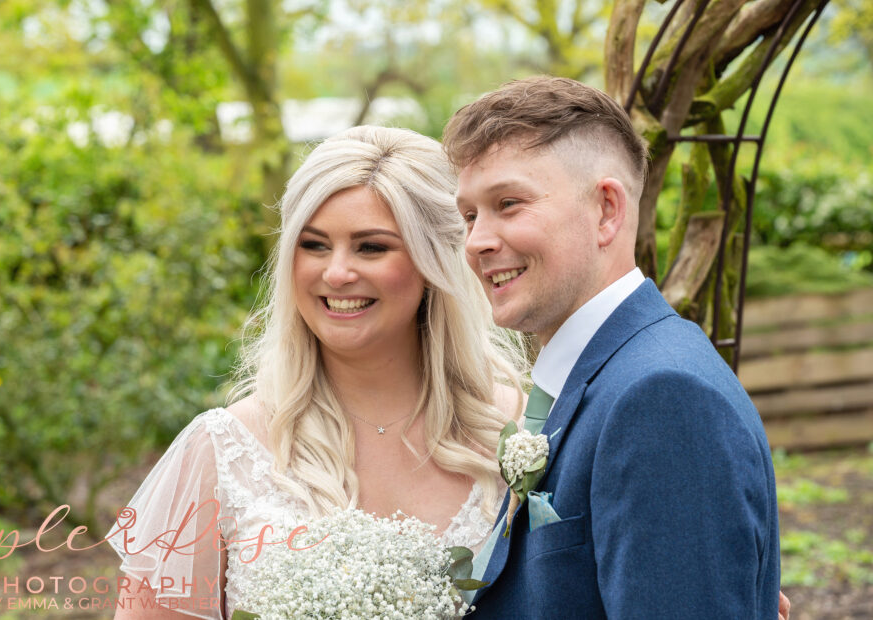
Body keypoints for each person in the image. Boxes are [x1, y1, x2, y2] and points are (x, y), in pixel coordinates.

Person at [109, 125, 528, 618]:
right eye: (314, 245)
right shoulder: (222, 452)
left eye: (371, 247)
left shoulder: (521, 437)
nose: (336, 273)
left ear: (434, 259)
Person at [446, 76, 782, 619]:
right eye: (469, 215)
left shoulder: (663, 397)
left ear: (606, 210)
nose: (478, 240)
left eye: (508, 203)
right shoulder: (604, 374)